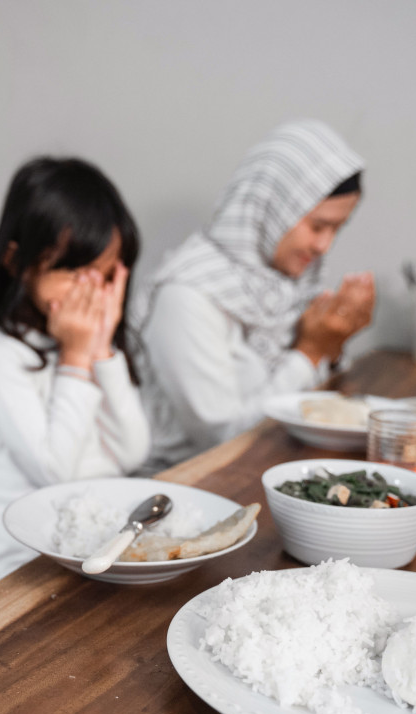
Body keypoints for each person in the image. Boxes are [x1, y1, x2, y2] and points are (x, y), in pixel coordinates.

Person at [131, 120, 375, 470]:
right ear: (273, 208)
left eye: (337, 228)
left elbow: (309, 403)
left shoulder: (285, 281)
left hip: (270, 466)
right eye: (318, 226)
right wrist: (311, 351)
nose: (325, 245)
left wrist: (334, 342)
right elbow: (222, 436)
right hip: (186, 487)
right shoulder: (188, 295)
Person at [0, 157, 150, 579]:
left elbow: (132, 452)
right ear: (17, 262)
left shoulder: (88, 348)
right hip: (30, 564)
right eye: (73, 272)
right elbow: (55, 472)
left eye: (103, 276)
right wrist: (76, 360)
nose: (90, 291)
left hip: (103, 548)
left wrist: (101, 350)